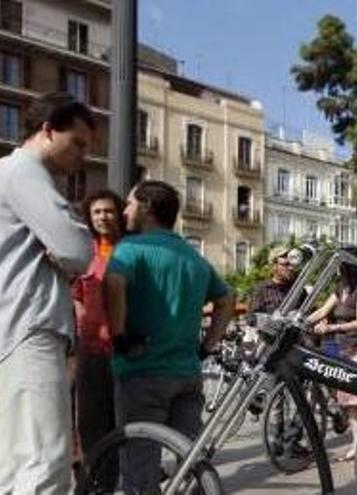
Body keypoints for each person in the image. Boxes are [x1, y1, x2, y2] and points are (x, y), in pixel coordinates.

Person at [105, 180, 236, 492]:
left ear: (147, 207)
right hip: (187, 373)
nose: (125, 211)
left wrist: (121, 337)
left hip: (142, 372)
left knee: (140, 463)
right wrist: (207, 346)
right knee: (191, 456)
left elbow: (112, 284)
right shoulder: (194, 258)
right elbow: (228, 298)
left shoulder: (131, 248)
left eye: (130, 204)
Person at [0, 92, 94, 493]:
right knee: (46, 463)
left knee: (17, 462)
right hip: (31, 327)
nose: (83, 156)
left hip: (17, 326)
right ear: (46, 130)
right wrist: (75, 237)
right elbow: (77, 249)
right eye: (78, 143)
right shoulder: (25, 171)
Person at [307, 248, 357, 465]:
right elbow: (322, 311)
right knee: (349, 402)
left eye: (339, 263)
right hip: (344, 349)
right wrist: (300, 320)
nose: (336, 267)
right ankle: (356, 445)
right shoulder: (341, 287)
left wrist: (332, 328)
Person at [71, 189, 125, 486]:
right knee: (91, 420)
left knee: (122, 417)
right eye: (97, 212)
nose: (103, 216)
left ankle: (123, 477)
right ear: (90, 218)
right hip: (91, 348)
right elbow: (77, 293)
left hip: (124, 347)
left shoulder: (130, 249)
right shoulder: (85, 251)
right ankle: (99, 483)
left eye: (108, 211)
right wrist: (83, 325)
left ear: (119, 214)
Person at [248, 245, 300, 314]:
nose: (291, 268)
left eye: (291, 264)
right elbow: (253, 318)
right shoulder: (261, 290)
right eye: (286, 264)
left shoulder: (297, 289)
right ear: (274, 266)